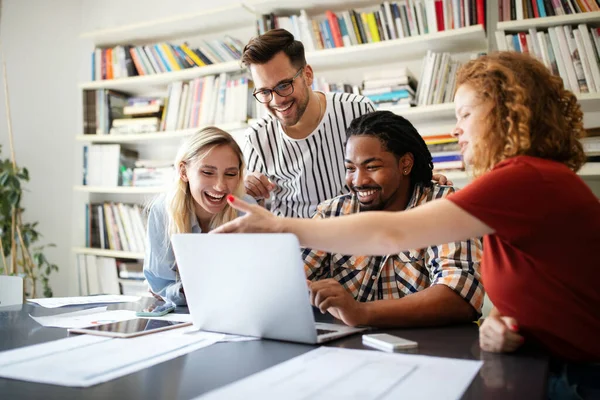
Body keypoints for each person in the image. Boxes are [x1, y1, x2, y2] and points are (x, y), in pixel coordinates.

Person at [215, 52, 600, 398]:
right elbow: (545, 282)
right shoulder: (523, 183)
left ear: (506, 113)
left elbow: (391, 233)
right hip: (547, 363)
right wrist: (504, 320)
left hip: (582, 376)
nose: (457, 130)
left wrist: (283, 226)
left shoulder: (521, 178)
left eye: (465, 114)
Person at [241, 29, 451, 218]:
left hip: (358, 239)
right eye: (264, 91)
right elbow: (256, 212)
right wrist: (248, 191)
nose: (276, 100)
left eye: (284, 85)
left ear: (307, 75)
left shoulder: (356, 109)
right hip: (300, 244)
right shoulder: (257, 139)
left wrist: (421, 180)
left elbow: (389, 169)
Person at [302, 111, 483, 328]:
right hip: (350, 350)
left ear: (405, 163)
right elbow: (288, 278)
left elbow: (460, 296)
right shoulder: (334, 212)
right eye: (350, 168)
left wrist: (361, 312)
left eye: (372, 167)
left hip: (429, 348)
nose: (358, 181)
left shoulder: (444, 204)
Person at [143, 127, 254, 305]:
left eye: (231, 174)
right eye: (208, 172)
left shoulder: (247, 209)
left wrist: (190, 288)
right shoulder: (162, 210)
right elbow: (159, 284)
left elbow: (253, 282)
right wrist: (188, 290)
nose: (220, 186)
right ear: (184, 172)